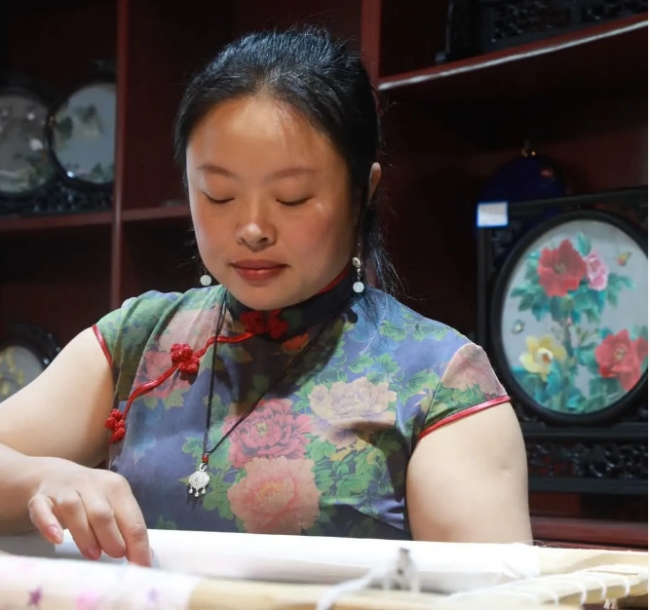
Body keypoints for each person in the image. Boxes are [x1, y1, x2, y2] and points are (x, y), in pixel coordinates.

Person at [0, 27, 531, 567]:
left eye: (292, 198)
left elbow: (494, 591)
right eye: (218, 195)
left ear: (362, 193)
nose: (252, 229)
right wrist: (38, 479)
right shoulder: (140, 339)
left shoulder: (439, 381)